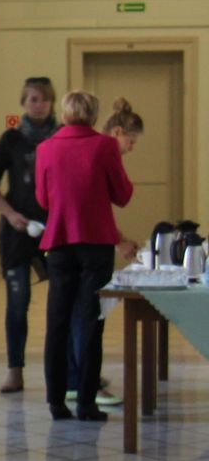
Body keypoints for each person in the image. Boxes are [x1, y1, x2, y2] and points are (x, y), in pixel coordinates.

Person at [35, 90, 134, 421]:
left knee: (57, 322)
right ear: (93, 117)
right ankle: (87, 403)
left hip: (60, 242)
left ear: (64, 115)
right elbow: (122, 195)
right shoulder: (105, 146)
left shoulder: (46, 148)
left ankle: (56, 401)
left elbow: (43, 200)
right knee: (91, 322)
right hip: (96, 243)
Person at [0, 77, 59, 394]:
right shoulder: (11, 139)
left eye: (44, 99)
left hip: (54, 231)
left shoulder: (61, 138)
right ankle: (15, 369)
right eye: (33, 99)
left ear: (52, 103)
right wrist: (10, 214)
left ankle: (69, 369)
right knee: (17, 302)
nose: (39, 105)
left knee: (63, 303)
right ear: (23, 103)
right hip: (17, 231)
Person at [65, 97, 144, 406]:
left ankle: (77, 377)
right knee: (87, 315)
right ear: (117, 132)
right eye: (131, 141)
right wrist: (118, 240)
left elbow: (97, 209)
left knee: (75, 313)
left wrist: (120, 240)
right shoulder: (101, 149)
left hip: (67, 241)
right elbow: (117, 198)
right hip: (87, 245)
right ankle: (84, 382)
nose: (131, 148)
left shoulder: (78, 147)